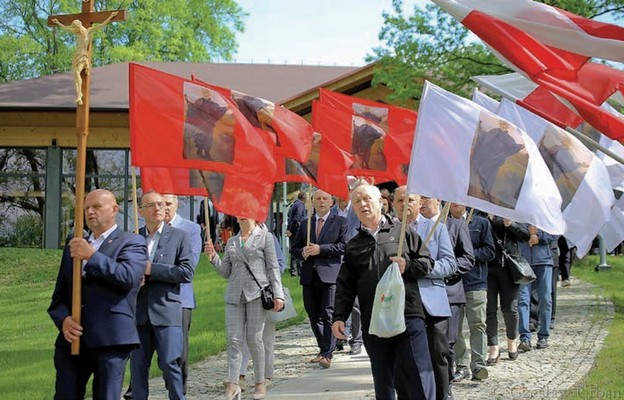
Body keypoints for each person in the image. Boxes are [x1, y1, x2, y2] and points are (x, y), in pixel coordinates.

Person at [332, 184, 436, 400]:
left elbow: (427, 262)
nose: (363, 204)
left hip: (407, 315)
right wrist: (339, 317)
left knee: (418, 373)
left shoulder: (402, 231)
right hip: (375, 321)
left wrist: (407, 266)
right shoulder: (353, 245)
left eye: (367, 199)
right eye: (357, 201)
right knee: (383, 380)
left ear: (381, 201)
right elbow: (345, 285)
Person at [48, 189, 147, 399]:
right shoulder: (74, 247)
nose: (90, 212)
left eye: (97, 207)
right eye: (86, 208)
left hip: (111, 339)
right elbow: (59, 298)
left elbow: (127, 278)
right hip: (73, 341)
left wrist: (92, 257)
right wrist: (64, 320)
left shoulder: (132, 242)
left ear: (114, 210)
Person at [205, 216, 284, 400]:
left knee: (254, 340)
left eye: (246, 210)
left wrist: (278, 294)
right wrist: (213, 257)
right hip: (234, 296)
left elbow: (273, 267)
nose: (242, 214)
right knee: (233, 340)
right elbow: (225, 272)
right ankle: (233, 384)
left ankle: (259, 383)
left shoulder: (266, 237)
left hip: (257, 294)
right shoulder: (232, 241)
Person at [394, 187, 457, 400]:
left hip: (431, 302)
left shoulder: (436, 228)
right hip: (401, 303)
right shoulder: (390, 232)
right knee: (404, 357)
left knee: (437, 354)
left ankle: (443, 394)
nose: (405, 204)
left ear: (419, 202)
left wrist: (420, 268)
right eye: (400, 200)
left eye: (410, 200)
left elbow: (450, 264)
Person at [131, 191, 194, 400]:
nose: (158, 208)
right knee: (138, 368)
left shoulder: (178, 237)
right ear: (141, 211)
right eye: (151, 205)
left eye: (161, 204)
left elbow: (186, 272)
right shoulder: (133, 238)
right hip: (139, 314)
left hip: (166, 312)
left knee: (170, 364)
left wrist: (152, 269)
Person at [291, 189, 348, 368]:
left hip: (330, 275)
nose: (321, 201)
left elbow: (343, 246)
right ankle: (322, 348)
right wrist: (303, 252)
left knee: (328, 313)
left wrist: (320, 249)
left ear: (331, 202)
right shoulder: (305, 223)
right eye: (318, 198)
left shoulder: (340, 222)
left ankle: (327, 353)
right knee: (313, 314)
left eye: (325, 198)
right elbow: (294, 248)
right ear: (312, 202)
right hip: (309, 275)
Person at [451, 205, 495, 383]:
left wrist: (467, 255)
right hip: (453, 282)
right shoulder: (444, 224)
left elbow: (490, 251)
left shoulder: (480, 223)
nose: (455, 202)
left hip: (476, 281)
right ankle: (461, 365)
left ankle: (478, 363)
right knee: (455, 327)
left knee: (477, 323)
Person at [239, 226, 286, 389]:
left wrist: (263, 278)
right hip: (243, 294)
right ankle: (240, 375)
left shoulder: (269, 238)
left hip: (265, 294)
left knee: (266, 338)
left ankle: (267, 375)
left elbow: (279, 264)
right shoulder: (239, 238)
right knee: (244, 336)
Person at [164, 195, 203, 394]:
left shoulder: (191, 229)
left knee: (179, 350)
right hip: (149, 298)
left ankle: (179, 389)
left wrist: (154, 271)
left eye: (168, 204)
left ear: (177, 204)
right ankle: (133, 390)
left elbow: (189, 266)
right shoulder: (146, 231)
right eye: (160, 204)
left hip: (180, 297)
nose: (164, 208)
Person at [486, 216, 530, 364]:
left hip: (509, 269)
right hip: (487, 269)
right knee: (489, 309)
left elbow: (526, 236)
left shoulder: (510, 211)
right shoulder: (479, 212)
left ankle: (512, 340)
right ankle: (493, 346)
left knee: (510, 309)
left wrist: (512, 224)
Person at [51, 12, 119, 105]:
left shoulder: (88, 31)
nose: (74, 29)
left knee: (77, 72)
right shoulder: (76, 32)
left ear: (79, 25)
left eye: (75, 27)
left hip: (83, 55)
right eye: (74, 28)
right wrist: (58, 23)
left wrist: (110, 16)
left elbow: (102, 25)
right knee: (75, 74)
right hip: (76, 55)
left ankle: (79, 95)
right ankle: (79, 94)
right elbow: (66, 29)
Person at [518, 226, 557, 351]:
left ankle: (544, 335)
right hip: (523, 261)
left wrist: (539, 236)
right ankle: (525, 338)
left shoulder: (546, 210)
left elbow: (556, 231)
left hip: (544, 261)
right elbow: (514, 229)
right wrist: (526, 235)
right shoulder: (519, 210)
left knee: (545, 299)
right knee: (523, 300)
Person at [286, 191, 308, 276]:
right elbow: (297, 217)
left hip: (293, 230)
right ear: (304, 198)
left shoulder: (294, 205)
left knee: (294, 250)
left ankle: (294, 271)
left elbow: (290, 216)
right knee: (299, 250)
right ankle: (298, 271)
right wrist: (292, 230)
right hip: (297, 231)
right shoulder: (300, 205)